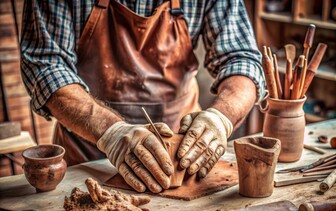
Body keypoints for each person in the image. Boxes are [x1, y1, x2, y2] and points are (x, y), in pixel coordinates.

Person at [21, 0, 265, 193]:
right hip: (89, 159)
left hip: (184, 157)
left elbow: (242, 60)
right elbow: (46, 65)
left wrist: (220, 118)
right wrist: (111, 133)